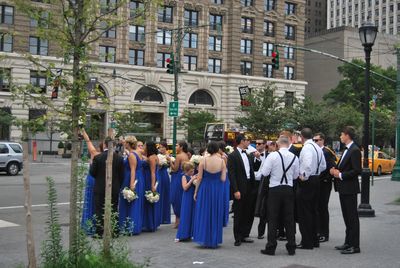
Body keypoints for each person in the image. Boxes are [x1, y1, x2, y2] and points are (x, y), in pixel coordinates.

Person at [256, 136, 299, 256]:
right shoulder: (294, 157)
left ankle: (271, 247)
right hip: (289, 189)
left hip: (274, 189)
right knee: (289, 219)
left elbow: (264, 173)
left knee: (273, 218)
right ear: (288, 143)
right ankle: (291, 247)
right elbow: (296, 176)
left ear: (278, 144)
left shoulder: (273, 156)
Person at [330, 126, 361, 254]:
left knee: (352, 217)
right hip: (344, 189)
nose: (340, 137)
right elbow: (342, 166)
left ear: (347, 135)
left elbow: (356, 170)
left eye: (342, 134)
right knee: (347, 217)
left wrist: (340, 175)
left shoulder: (354, 150)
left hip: (350, 189)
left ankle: (355, 246)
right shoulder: (347, 149)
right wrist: (334, 170)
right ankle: (348, 242)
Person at [296, 128, 326, 249]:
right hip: (316, 179)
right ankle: (314, 240)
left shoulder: (307, 148)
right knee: (314, 211)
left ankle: (307, 242)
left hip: (308, 181)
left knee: (304, 213)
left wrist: (304, 176)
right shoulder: (318, 148)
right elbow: (323, 165)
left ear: (302, 137)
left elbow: (307, 164)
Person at [193, 141, 226, 248]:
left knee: (204, 212)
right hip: (217, 189)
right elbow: (223, 178)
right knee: (215, 213)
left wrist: (196, 191)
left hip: (205, 189)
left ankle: (204, 238)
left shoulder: (204, 160)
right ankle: (214, 239)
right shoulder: (222, 161)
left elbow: (200, 177)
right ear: (217, 149)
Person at [90, 136, 124, 237]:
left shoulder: (97, 157)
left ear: (104, 144)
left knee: (99, 209)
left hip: (100, 187)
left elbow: (92, 173)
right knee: (113, 208)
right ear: (113, 145)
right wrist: (118, 185)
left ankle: (99, 232)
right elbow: (122, 175)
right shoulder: (119, 158)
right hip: (114, 187)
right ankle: (114, 231)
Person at [227, 135, 256, 246]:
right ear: (241, 142)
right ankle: (237, 237)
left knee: (248, 211)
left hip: (250, 186)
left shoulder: (248, 154)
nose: (248, 142)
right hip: (240, 187)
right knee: (239, 212)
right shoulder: (233, 155)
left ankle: (245, 234)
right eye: (247, 140)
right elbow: (232, 174)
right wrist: (236, 190)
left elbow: (251, 170)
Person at [118, 136, 144, 235]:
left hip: (131, 178)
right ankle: (133, 225)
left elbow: (133, 169)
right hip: (139, 177)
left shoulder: (132, 155)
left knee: (129, 202)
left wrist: (131, 185)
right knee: (134, 203)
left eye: (125, 143)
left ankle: (129, 226)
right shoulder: (138, 152)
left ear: (128, 144)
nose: (124, 144)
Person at [313, 132, 336, 243]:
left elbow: (332, 167)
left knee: (322, 208)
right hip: (317, 183)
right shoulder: (317, 151)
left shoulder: (326, 152)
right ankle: (318, 231)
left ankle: (324, 233)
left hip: (324, 184)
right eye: (314, 140)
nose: (315, 142)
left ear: (322, 140)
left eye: (317, 140)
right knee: (317, 208)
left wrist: (325, 179)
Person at [81, 129, 102, 236]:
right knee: (97, 203)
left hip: (91, 179)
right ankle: (95, 224)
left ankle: (88, 225)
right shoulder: (106, 156)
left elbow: (88, 141)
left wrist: (83, 131)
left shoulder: (95, 154)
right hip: (100, 180)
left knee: (89, 201)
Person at [169, 141, 189, 228]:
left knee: (175, 198)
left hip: (177, 178)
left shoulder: (179, 156)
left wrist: (170, 161)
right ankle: (178, 220)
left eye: (177, 145)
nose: (175, 147)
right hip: (183, 176)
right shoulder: (186, 155)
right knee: (180, 198)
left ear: (181, 147)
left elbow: (175, 168)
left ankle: (178, 220)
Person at [142, 141, 161, 232]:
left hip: (149, 179)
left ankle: (150, 224)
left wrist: (152, 185)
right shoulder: (152, 156)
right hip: (149, 177)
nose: (144, 147)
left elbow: (153, 172)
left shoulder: (152, 157)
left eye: (145, 145)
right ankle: (150, 223)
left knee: (149, 200)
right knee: (149, 201)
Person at [175, 161, 197, 242]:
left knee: (192, 214)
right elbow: (185, 187)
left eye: (193, 170)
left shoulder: (192, 176)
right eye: (191, 171)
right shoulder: (184, 177)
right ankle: (183, 234)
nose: (193, 172)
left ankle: (191, 233)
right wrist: (191, 181)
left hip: (192, 197)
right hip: (187, 197)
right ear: (186, 171)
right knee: (186, 214)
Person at [252, 138, 268, 239]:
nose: (257, 145)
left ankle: (260, 232)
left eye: (260, 143)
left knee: (263, 208)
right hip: (253, 184)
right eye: (256, 143)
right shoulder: (250, 154)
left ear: (264, 145)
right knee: (251, 207)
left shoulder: (270, 155)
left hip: (264, 184)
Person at [158, 141, 171, 224]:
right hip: (159, 174)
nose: (161, 148)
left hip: (165, 175)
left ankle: (165, 217)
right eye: (160, 147)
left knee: (165, 194)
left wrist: (168, 161)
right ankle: (159, 216)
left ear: (166, 148)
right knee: (160, 194)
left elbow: (171, 166)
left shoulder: (168, 156)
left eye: (162, 147)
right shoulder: (157, 156)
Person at [218, 141, 230, 227]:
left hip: (224, 178)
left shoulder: (223, 157)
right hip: (224, 178)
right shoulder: (223, 156)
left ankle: (222, 219)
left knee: (223, 198)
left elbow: (223, 169)